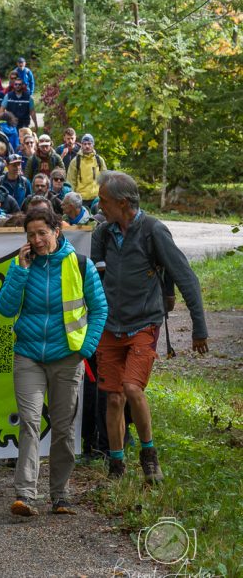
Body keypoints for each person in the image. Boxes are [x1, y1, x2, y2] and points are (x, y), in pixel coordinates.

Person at [91, 171, 209, 483]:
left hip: (143, 323)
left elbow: (186, 277)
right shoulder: (102, 234)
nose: (98, 205)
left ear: (123, 203)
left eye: (103, 200)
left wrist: (199, 328)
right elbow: (94, 281)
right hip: (109, 326)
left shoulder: (153, 230)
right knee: (112, 397)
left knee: (131, 388)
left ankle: (149, 455)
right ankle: (116, 465)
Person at [0, 207, 108, 516]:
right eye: (31, 234)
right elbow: (5, 309)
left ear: (57, 231)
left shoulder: (80, 264)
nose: (37, 239)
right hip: (28, 355)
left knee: (62, 429)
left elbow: (99, 308)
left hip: (67, 357)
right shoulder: (20, 265)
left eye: (42, 233)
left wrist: (86, 348)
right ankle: (25, 495)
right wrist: (19, 271)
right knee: (30, 424)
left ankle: (60, 495)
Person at [65, 134, 107, 209]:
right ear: (81, 145)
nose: (87, 146)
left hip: (97, 198)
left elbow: (105, 180)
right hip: (80, 199)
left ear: (93, 145)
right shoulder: (75, 161)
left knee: (98, 219)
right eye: (84, 144)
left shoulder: (99, 160)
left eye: (89, 144)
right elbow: (70, 182)